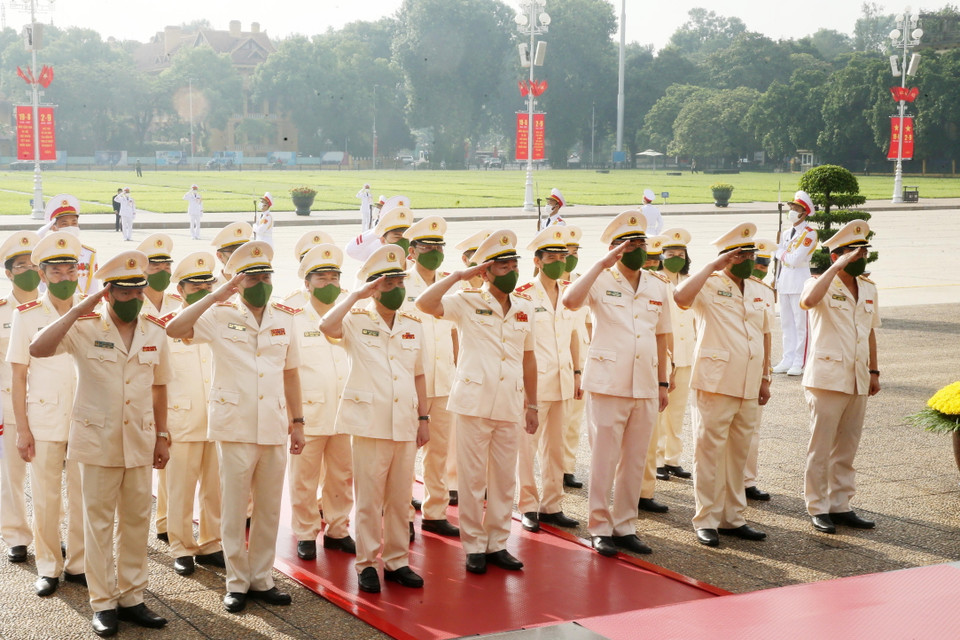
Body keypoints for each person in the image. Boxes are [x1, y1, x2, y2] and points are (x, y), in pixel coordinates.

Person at [29, 250, 172, 637]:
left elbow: (160, 387)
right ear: (108, 293)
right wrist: (78, 309)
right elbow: (38, 348)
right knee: (96, 525)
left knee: (137, 521)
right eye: (125, 293)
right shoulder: (85, 325)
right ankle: (104, 602)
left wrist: (162, 435)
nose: (134, 299)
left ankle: (132, 597)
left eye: (139, 291)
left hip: (140, 441)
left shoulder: (154, 330)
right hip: (97, 441)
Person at [165, 241, 304, 615]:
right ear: (237, 282)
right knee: (232, 506)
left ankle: (263, 577)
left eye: (265, 275)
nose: (261, 282)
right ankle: (237, 581)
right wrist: (216, 296)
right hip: (235, 424)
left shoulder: (286, 316)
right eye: (251, 277)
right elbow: (174, 328)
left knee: (269, 507)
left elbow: (290, 373)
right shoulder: (218, 313)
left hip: (274, 423)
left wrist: (299, 422)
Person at [416, 230, 538, 575]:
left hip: (510, 403)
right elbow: (425, 304)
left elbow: (529, 359)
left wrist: (533, 405)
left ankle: (498, 542)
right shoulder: (467, 301)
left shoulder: (526, 308)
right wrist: (459, 276)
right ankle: (474, 546)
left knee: (503, 478)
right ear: (485, 271)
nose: (512, 270)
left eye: (514, 263)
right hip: (473, 401)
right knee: (471, 480)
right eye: (503, 266)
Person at [320, 245, 429, 594]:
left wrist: (424, 417)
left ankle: (397, 561)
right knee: (369, 499)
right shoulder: (355, 320)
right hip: (370, 423)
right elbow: (327, 325)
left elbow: (419, 375)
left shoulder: (413, 322)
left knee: (400, 498)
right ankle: (367, 563)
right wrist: (356, 295)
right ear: (373, 286)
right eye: (388, 282)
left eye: (400, 280)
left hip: (404, 421)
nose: (397, 288)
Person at [562, 211, 672, 557]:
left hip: (645, 383)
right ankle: (599, 527)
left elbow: (662, 334)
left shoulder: (657, 284)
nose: (639, 249)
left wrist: (663, 381)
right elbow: (570, 301)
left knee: (636, 458)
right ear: (615, 249)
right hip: (608, 382)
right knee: (604, 458)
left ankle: (625, 525)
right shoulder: (599, 278)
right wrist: (599, 264)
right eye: (630, 244)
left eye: (641, 243)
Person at [674, 222, 772, 549]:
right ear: (728, 257)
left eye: (751, 253)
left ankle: (733, 517)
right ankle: (706, 519)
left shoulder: (760, 289)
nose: (749, 259)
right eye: (742, 254)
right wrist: (711, 267)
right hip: (716, 382)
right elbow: (680, 296)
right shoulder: (710, 284)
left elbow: (765, 335)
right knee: (709, 452)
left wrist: (765, 377)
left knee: (739, 454)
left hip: (748, 382)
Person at [8, 232, 86, 596]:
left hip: (85, 419)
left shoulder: (92, 311)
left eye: (71, 269)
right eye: (56, 271)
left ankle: (80, 564)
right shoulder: (26, 316)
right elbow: (19, 375)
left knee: (83, 496)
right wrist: (22, 429)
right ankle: (49, 566)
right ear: (43, 274)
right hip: (44, 420)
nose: (65, 277)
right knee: (46, 497)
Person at [799, 220, 880, 534]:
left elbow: (869, 331)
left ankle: (841, 504)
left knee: (847, 446)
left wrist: (874, 370)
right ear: (837, 256)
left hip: (858, 376)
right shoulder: (818, 282)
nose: (860, 257)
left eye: (863, 251)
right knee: (821, 447)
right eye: (853, 252)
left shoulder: (869, 288)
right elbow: (807, 302)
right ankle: (818, 507)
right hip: (826, 377)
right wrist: (837, 268)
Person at [282, 244, 355, 560]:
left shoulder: (350, 312)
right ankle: (306, 532)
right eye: (321, 278)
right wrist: (292, 416)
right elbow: (287, 369)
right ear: (307, 283)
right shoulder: (293, 316)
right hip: (308, 413)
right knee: (304, 478)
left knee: (342, 475)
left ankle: (338, 529)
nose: (329, 283)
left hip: (343, 410)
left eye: (334, 277)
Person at [514, 226, 581, 532]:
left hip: (564, 379)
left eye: (562, 256)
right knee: (527, 448)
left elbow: (574, 336)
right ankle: (528, 504)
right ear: (538, 260)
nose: (558, 261)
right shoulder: (525, 295)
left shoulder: (569, 291)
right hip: (535, 385)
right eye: (551, 256)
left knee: (556, 448)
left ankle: (552, 505)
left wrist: (578, 372)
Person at [400, 216, 460, 538]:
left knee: (438, 452)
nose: (434, 251)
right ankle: (404, 515)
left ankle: (435, 512)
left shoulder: (451, 285)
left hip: (444, 380)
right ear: (412, 251)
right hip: (410, 383)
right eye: (427, 246)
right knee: (407, 454)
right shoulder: (400, 285)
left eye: (438, 246)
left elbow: (454, 334)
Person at [0, 232, 42, 565]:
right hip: (7, 405)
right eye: (20, 265)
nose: (27, 269)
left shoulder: (54, 308)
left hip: (50, 403)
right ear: (9, 273)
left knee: (51, 476)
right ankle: (15, 536)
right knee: (10, 476)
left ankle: (50, 535)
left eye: (32, 264)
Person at [654, 228, 695, 485]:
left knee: (678, 411)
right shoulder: (655, 281)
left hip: (687, 353)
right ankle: (657, 459)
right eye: (670, 253)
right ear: (661, 256)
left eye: (680, 253)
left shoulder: (690, 281)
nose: (676, 257)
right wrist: (667, 358)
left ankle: (673, 458)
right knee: (660, 410)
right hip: (664, 355)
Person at [743, 238, 777, 502]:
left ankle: (747, 481)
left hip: (755, 370)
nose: (761, 268)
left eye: (765, 264)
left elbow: (767, 335)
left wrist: (766, 374)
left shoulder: (766, 292)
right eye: (758, 262)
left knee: (752, 430)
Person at [774, 190, 817, 376]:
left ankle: (800, 361)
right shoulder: (785, 233)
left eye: (796, 208)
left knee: (801, 325)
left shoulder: (809, 233)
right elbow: (782, 260)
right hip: (784, 282)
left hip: (799, 281)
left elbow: (795, 259)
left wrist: (778, 252)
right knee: (786, 323)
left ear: (804, 212)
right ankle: (787, 358)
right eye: (791, 207)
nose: (791, 211)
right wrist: (775, 282)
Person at [560, 225, 588, 490]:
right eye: (567, 251)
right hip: (556, 358)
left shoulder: (583, 282)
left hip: (581, 357)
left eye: (575, 250)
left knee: (574, 419)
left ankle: (567, 468)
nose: (572, 255)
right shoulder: (544, 286)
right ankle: (552, 467)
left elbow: (588, 323)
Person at [40, 194, 99, 295]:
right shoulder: (45, 254)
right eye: (64, 224)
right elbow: (42, 288)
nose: (71, 227)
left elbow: (93, 288)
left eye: (74, 223)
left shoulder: (89, 254)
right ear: (54, 228)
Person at [345, 195, 411, 263]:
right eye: (397, 236)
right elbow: (351, 250)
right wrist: (376, 232)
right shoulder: (376, 247)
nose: (402, 241)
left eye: (405, 237)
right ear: (383, 240)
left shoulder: (414, 250)